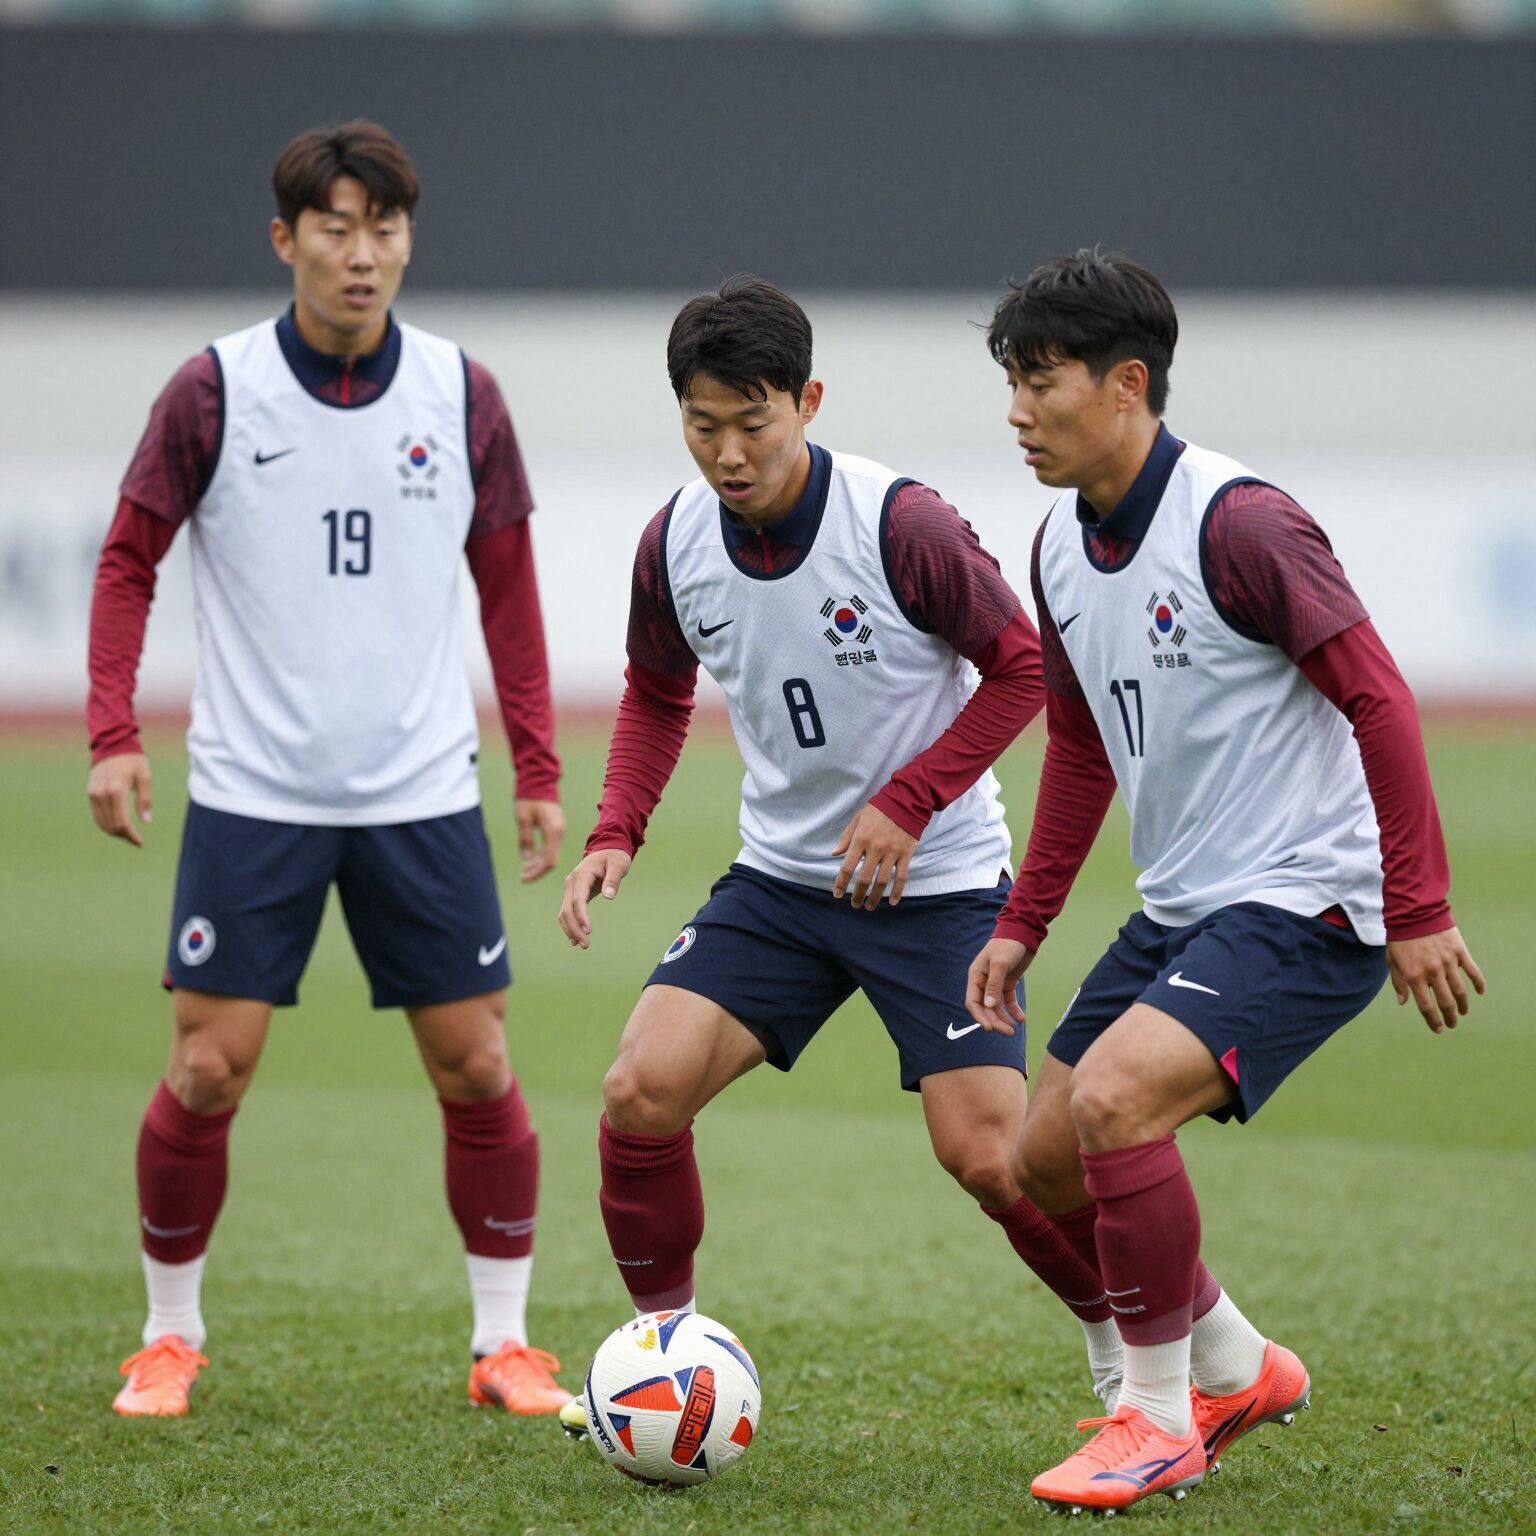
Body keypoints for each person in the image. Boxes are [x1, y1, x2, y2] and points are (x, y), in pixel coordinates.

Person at [555, 274, 1131, 1439]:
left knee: (992, 1159)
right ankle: (661, 1363)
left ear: (808, 400)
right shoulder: (672, 543)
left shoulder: (898, 526)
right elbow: (657, 691)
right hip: (780, 887)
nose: (727, 452)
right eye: (702, 424)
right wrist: (616, 828)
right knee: (638, 1091)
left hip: (942, 887)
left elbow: (1023, 669)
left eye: (752, 422)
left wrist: (910, 801)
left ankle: (1133, 1360)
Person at [962, 249, 1486, 1514]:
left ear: (1128, 384)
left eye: (1042, 383)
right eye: (1012, 385)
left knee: (1117, 1104)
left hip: (1311, 897)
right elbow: (1083, 745)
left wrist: (1415, 907)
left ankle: (1154, 1421)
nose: (1018, 412)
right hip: (1187, 903)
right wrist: (1026, 919)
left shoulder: (1240, 524)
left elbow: (1381, 697)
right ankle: (1240, 1366)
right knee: (1037, 1159)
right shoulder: (1059, 547)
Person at [87, 120, 572, 1419]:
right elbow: (129, 558)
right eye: (338, 229)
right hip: (256, 793)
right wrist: (112, 730)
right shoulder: (214, 390)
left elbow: (509, 587)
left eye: (386, 230)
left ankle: (503, 1346)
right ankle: (168, 1338)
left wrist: (535, 760)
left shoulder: (463, 394)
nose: (364, 257)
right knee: (206, 1069)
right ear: (285, 239)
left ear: (409, 239)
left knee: (476, 1063)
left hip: (419, 791)